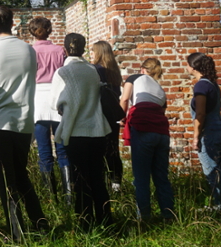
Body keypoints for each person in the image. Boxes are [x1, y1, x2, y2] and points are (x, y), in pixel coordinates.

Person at [0, 6, 49, 241]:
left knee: (6, 180)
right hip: (24, 123)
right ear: (12, 22)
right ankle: (41, 223)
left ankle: (17, 233)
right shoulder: (29, 50)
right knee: (21, 175)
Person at [52, 33, 112, 229]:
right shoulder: (92, 71)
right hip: (97, 130)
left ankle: (85, 223)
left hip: (76, 131)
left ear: (64, 49)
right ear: (84, 49)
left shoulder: (62, 72)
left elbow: (54, 103)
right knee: (97, 178)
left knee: (80, 180)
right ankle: (106, 221)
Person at [120, 57, 174, 220]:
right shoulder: (160, 89)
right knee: (161, 176)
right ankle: (168, 214)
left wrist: (120, 118)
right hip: (161, 132)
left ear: (142, 69)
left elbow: (124, 99)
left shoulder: (135, 78)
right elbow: (162, 111)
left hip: (143, 128)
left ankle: (144, 217)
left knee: (141, 177)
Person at [29, 17, 71, 202]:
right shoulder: (60, 51)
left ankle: (50, 198)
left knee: (44, 150)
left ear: (32, 32)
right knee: (62, 149)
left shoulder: (30, 52)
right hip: (57, 97)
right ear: (50, 30)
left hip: (38, 100)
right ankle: (69, 195)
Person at [188, 52, 221, 212]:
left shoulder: (201, 86)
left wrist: (196, 137)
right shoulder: (212, 84)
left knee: (211, 169)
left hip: (210, 131)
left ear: (193, 67)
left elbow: (200, 114)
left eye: (187, 64)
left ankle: (219, 206)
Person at [91, 40, 124, 193]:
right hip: (113, 114)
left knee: (99, 150)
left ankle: (102, 183)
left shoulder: (95, 70)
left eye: (93, 51)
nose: (91, 54)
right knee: (113, 149)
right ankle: (116, 183)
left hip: (99, 113)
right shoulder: (114, 71)